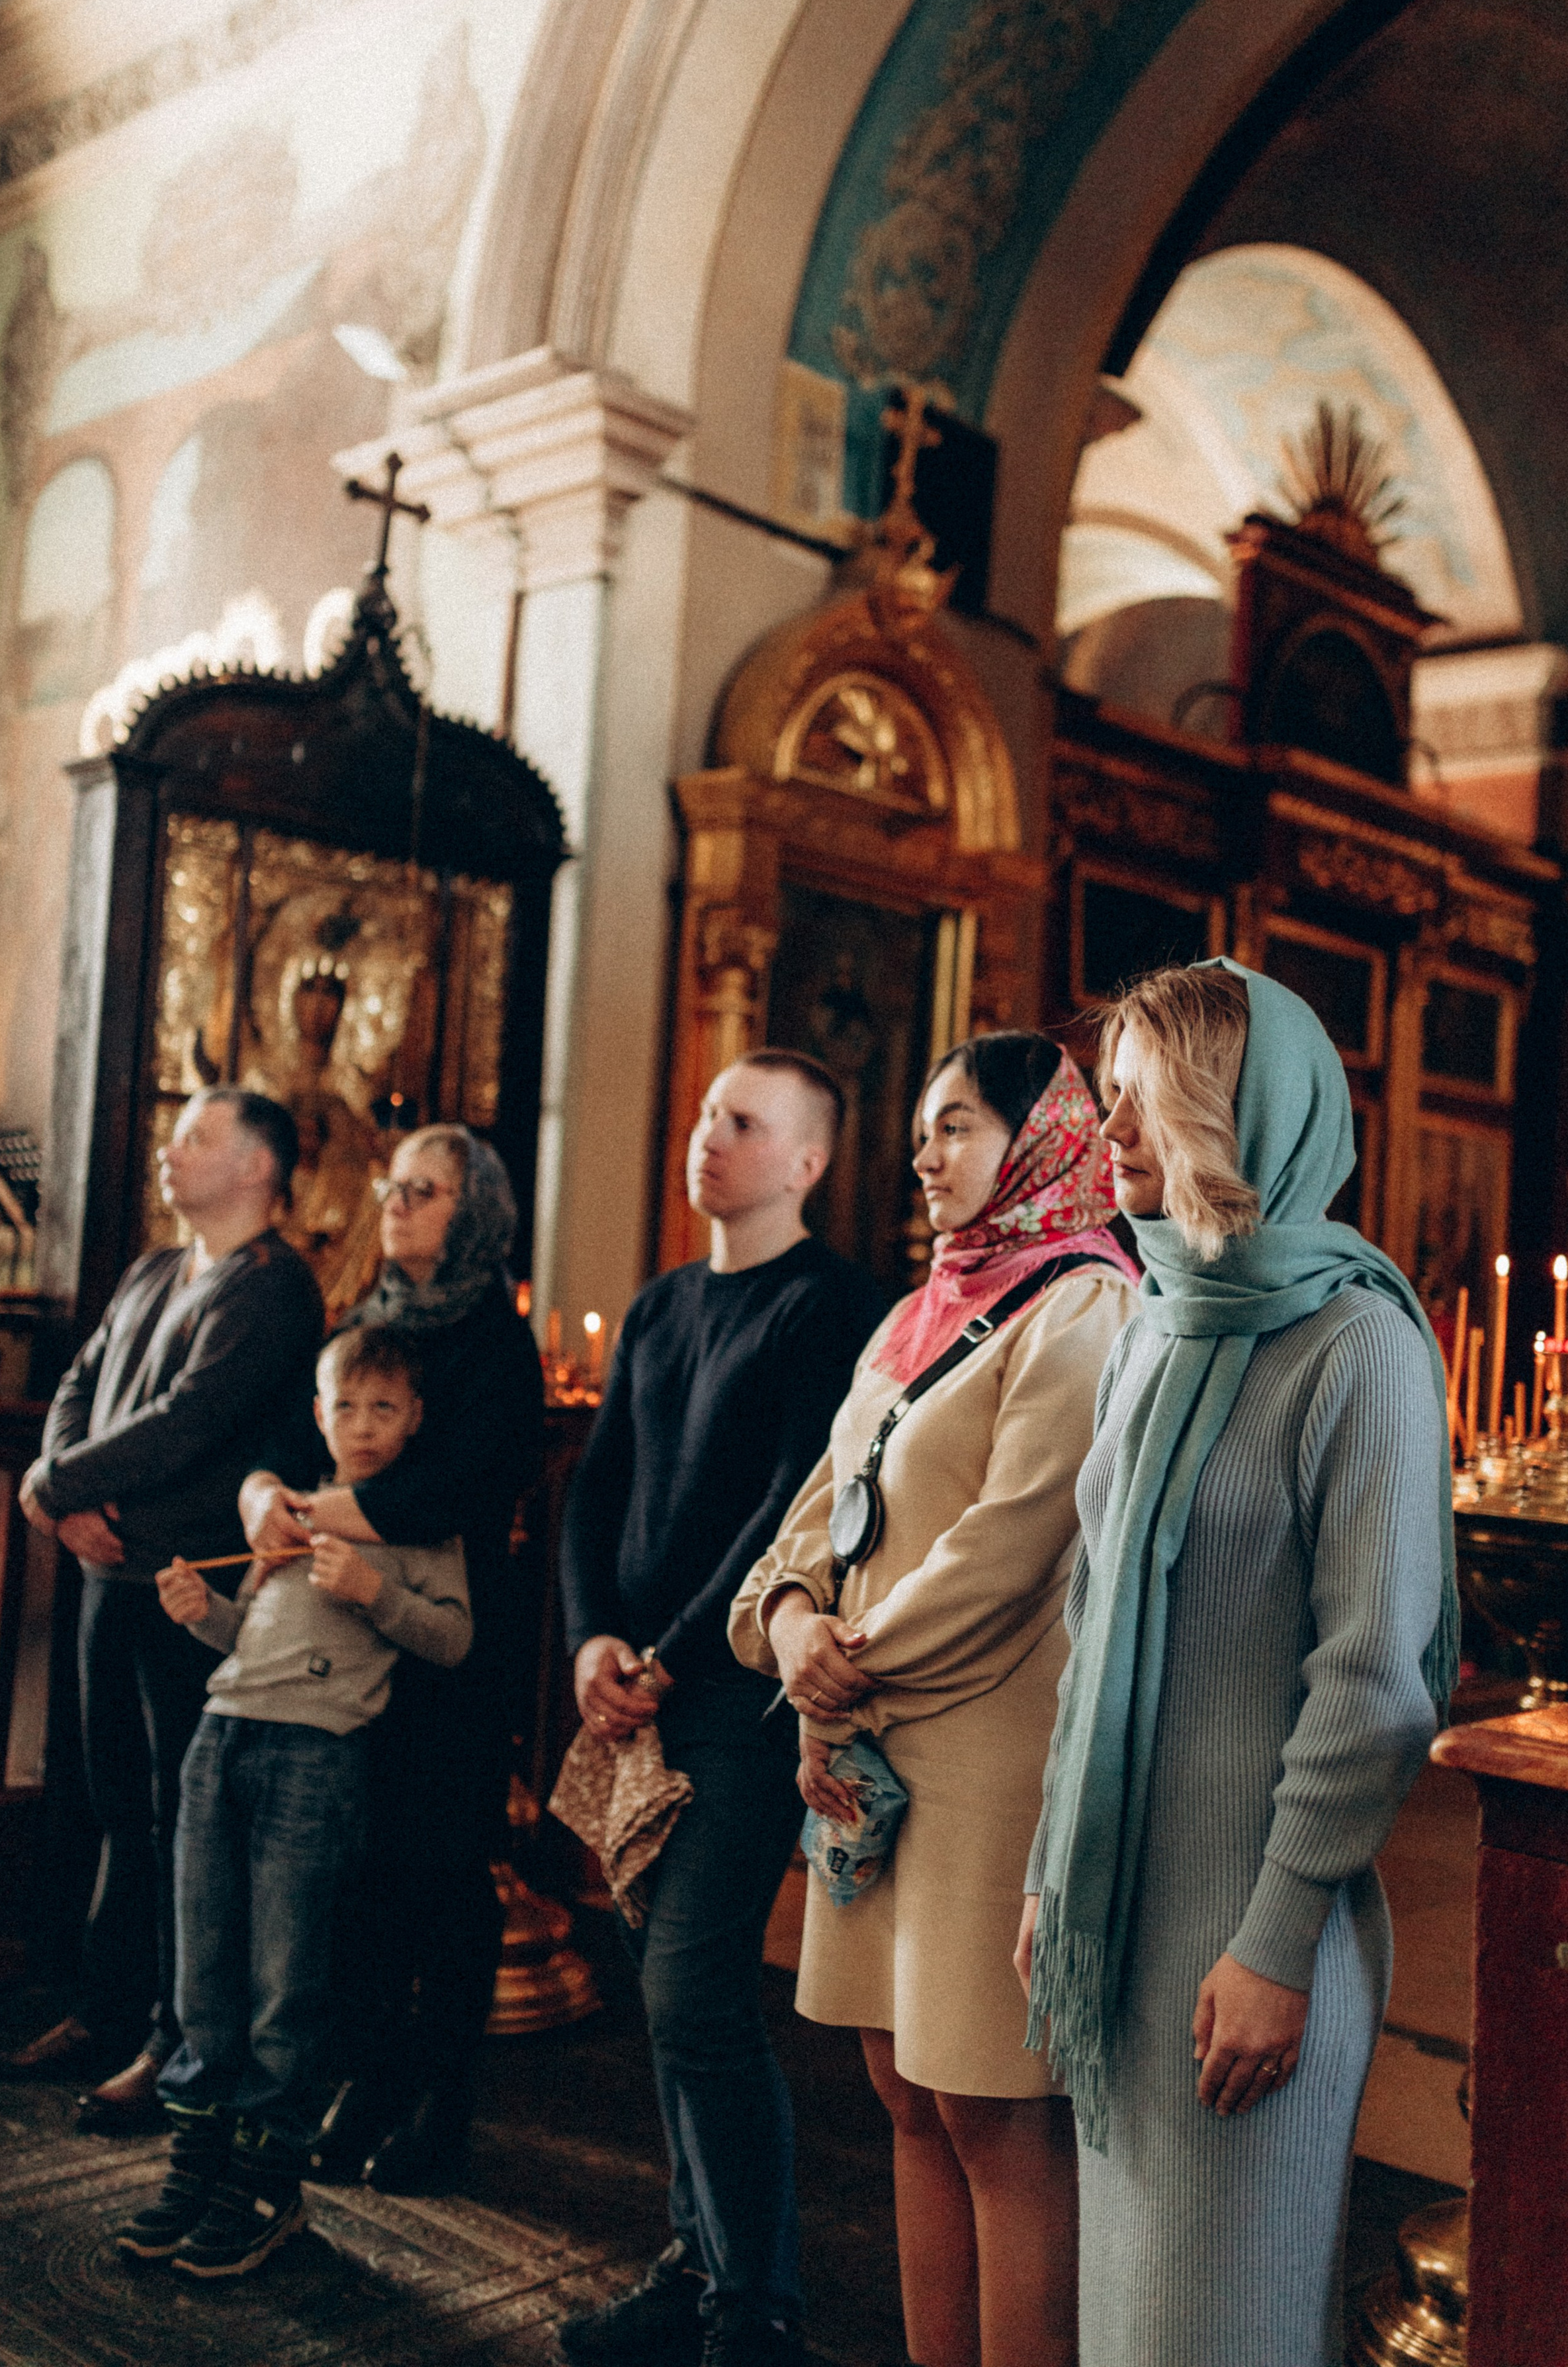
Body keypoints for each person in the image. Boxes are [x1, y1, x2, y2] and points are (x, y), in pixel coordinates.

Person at [1017, 961, 1458, 2367]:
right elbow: (1091, 1628)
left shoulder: (1357, 1347)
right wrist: (1049, 1871)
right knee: (1132, 2329)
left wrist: (1275, 1943)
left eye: (1143, 1100)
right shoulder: (1157, 1319)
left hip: (1250, 1928)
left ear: (1237, 1110)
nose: (1114, 1133)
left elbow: (1370, 1683)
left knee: (1222, 2331)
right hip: (1123, 1917)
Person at [732, 1033, 1139, 2367]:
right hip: (867, 1750)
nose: (925, 1154)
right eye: (922, 1129)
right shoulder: (916, 1313)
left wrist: (840, 1666)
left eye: (957, 1126)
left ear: (1042, 1141)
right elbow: (816, 1510)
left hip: (984, 1762)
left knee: (993, 2115)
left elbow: (1012, 1543)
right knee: (902, 2092)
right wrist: (790, 1620)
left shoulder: (1083, 1303)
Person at [556, 1050, 886, 2367]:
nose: (707, 1135)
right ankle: (699, 2271)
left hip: (741, 1700)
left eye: (742, 1123)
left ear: (806, 1162)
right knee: (661, 1989)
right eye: (704, 1111)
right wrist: (589, 1636)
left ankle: (758, 2308)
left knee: (695, 1992)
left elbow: (786, 1514)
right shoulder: (660, 1304)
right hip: (633, 1691)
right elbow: (596, 1487)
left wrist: (671, 1657)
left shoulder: (832, 1307)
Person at [120, 1325, 471, 2277]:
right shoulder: (291, 1513)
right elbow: (252, 1646)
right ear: (318, 1415)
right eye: (345, 1407)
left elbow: (451, 1638)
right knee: (205, 1970)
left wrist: (373, 1592)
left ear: (415, 1421)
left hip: (317, 1758)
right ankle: (196, 2167)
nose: (362, 1425)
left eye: (384, 1408)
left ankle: (266, 2186)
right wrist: (209, 1619)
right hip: (221, 1734)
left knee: (283, 1982)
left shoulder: (414, 1524)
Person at [9, 1089, 324, 2129]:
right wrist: (60, 1476)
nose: (168, 1150)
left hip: (194, 1586)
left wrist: (60, 1489)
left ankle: (180, 2039)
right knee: (116, 1805)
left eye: (196, 1135)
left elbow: (190, 1423)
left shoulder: (273, 1289)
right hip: (110, 1570)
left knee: (186, 1818)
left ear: (256, 1170)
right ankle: (109, 2009)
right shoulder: (153, 1270)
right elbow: (84, 1380)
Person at [236, 1122, 544, 2190]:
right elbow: (286, 1436)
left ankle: (439, 2105)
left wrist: (325, 1509)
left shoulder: (496, 1339)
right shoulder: (369, 1314)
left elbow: (459, 1487)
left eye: (424, 1189)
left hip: (452, 1643)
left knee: (446, 1875)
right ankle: (366, 2080)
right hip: (344, 1638)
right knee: (362, 1875)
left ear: (476, 1212)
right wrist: (264, 1497)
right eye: (394, 1185)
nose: (398, 1202)